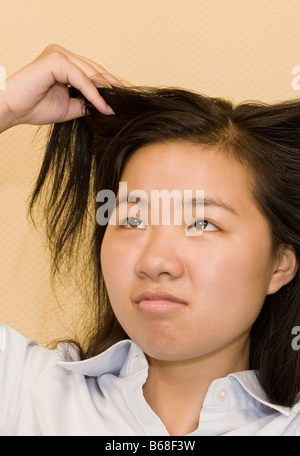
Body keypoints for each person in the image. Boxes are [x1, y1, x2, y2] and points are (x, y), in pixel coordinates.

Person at [0, 44, 300, 436]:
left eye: (203, 224)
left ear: (280, 264)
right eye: (131, 220)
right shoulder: (25, 393)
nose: (155, 261)